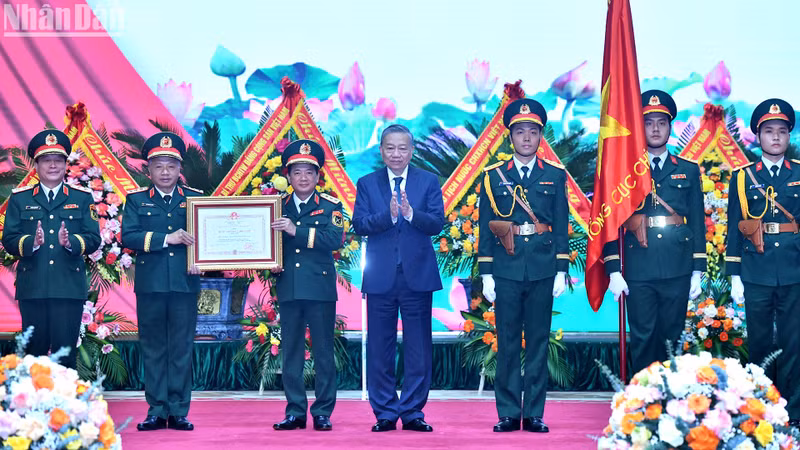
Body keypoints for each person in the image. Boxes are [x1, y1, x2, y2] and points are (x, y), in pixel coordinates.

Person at [478, 98, 569, 433]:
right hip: (506, 268)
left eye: (533, 132)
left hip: (543, 268)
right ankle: (506, 412)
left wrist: (561, 268)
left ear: (540, 137)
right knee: (508, 342)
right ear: (510, 137)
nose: (526, 138)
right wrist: (486, 273)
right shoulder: (493, 177)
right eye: (520, 132)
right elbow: (485, 227)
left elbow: (562, 224)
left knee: (539, 341)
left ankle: (533, 413)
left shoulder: (555, 176)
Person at [604, 90, 706, 375]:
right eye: (649, 123)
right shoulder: (623, 173)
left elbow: (697, 222)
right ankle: (641, 404)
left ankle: (672, 404)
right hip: (638, 267)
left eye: (662, 122)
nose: (656, 129)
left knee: (672, 338)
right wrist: (613, 269)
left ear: (670, 127)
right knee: (644, 338)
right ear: (640, 128)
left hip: (677, 266)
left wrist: (697, 270)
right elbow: (610, 221)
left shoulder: (687, 170)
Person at [353, 124, 445, 432]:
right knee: (380, 347)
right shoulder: (367, 183)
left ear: (412, 150)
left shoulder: (428, 181)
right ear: (381, 150)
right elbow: (360, 224)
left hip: (417, 276)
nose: (396, 154)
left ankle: (412, 411)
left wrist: (409, 214)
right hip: (380, 277)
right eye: (390, 148)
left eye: (402, 148)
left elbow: (437, 224)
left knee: (419, 347)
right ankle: (385, 413)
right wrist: (389, 216)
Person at [121, 132, 203, 432]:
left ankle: (179, 410)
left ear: (180, 168)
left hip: (184, 284)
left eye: (171, 165)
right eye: (159, 166)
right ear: (149, 170)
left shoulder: (196, 200)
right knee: (153, 348)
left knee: (181, 348)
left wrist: (203, 262)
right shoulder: (136, 201)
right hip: (151, 285)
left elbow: (207, 240)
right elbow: (127, 236)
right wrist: (165, 238)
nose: (165, 172)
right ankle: (156, 409)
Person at [726, 98, 800, 427]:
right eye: (768, 131)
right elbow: (733, 229)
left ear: (789, 137)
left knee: (793, 343)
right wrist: (734, 276)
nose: (775, 137)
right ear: (758, 136)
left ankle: (793, 413)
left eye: (781, 131)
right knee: (758, 342)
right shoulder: (742, 178)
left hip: (794, 269)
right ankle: (758, 409)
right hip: (755, 270)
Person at [2, 129, 100, 369]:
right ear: (36, 165)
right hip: (33, 287)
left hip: (68, 288)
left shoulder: (82, 197)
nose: (53, 165)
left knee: (65, 356)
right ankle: (34, 406)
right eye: (47, 160)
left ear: (66, 164)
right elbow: (9, 239)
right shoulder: (20, 199)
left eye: (58, 160)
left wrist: (71, 243)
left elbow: (94, 239)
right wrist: (32, 242)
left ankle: (66, 408)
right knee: (34, 356)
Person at [269, 139, 344, 432]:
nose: (303, 177)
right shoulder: (274, 206)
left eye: (309, 172)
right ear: (288, 176)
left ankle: (323, 411)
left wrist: (295, 230)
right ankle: (295, 411)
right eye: (297, 172)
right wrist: (269, 262)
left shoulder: (330, 206)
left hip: (320, 289)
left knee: (324, 352)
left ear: (317, 176)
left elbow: (334, 240)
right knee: (291, 352)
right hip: (289, 286)